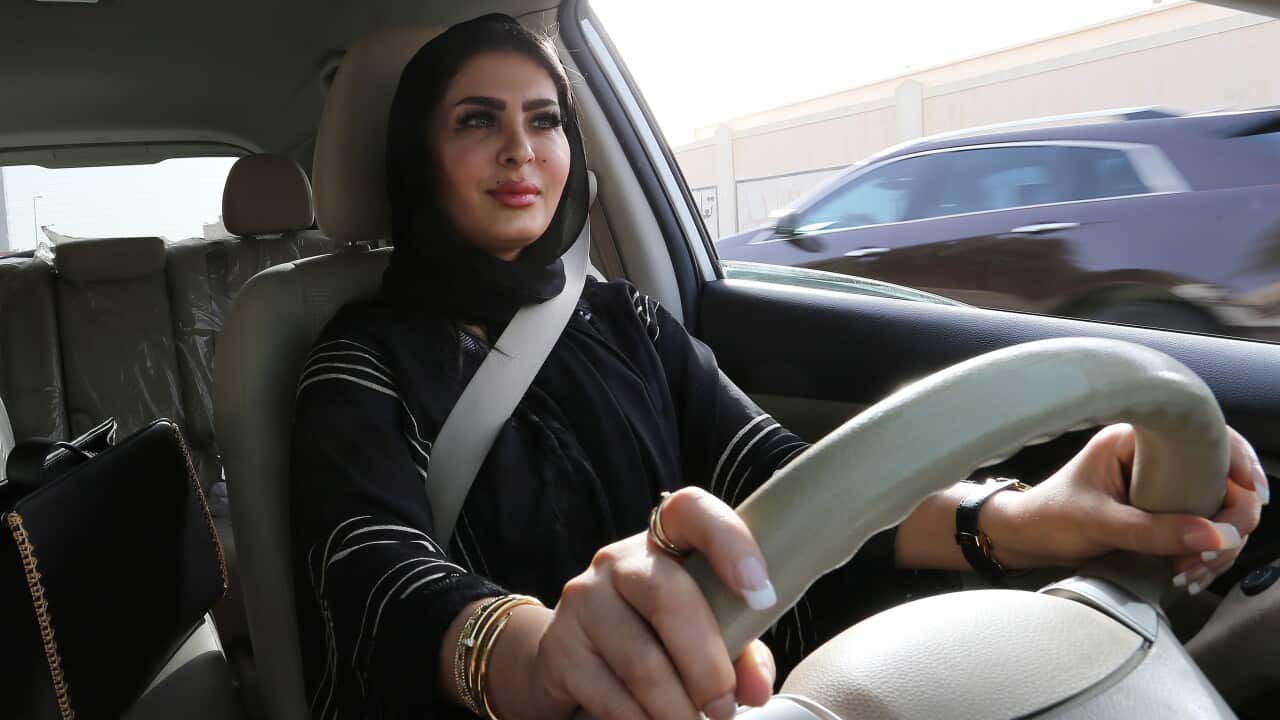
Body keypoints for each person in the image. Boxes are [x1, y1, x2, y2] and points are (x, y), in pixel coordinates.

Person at [289, 14, 1267, 720]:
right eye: (475, 120)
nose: (519, 149)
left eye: (544, 119)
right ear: (419, 157)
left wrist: (1011, 516)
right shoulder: (357, 363)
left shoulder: (625, 319)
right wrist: (537, 652)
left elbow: (777, 480)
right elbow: (375, 575)